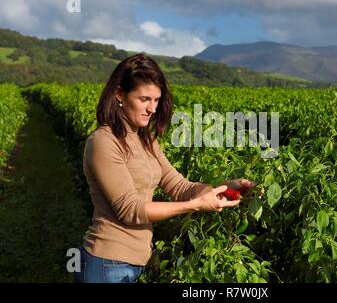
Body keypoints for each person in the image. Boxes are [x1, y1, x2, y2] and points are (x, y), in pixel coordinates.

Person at [73, 53, 256, 283]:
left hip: (136, 262)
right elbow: (130, 210)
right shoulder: (104, 141)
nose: (152, 108)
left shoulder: (146, 141)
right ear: (119, 95)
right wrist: (195, 205)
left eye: (156, 100)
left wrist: (227, 187)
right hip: (106, 264)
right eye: (144, 99)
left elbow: (178, 186)